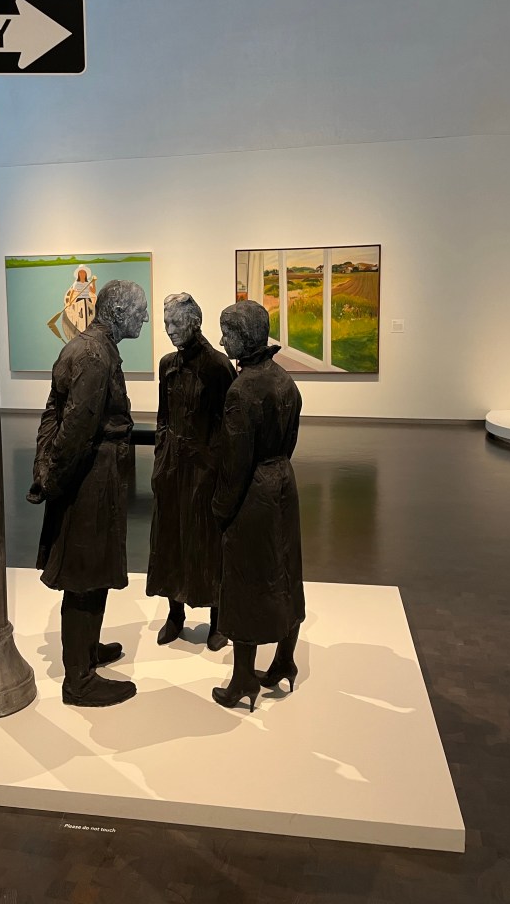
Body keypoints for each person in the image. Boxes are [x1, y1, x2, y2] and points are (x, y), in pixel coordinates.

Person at [28, 280, 149, 707]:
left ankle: (87, 651)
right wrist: (53, 478)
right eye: (139, 310)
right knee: (84, 574)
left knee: (92, 568)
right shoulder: (95, 357)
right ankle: (78, 680)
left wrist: (45, 470)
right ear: (117, 312)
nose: (144, 318)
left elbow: (52, 413)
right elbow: (74, 430)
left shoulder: (87, 348)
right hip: (89, 479)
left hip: (90, 475)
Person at [211, 300, 305, 712]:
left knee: (245, 580)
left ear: (245, 337)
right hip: (283, 482)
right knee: (286, 570)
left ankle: (243, 678)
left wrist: (220, 508)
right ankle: (284, 659)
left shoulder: (241, 390)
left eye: (227, 333)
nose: (221, 341)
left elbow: (235, 464)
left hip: (254, 493)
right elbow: (290, 439)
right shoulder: (284, 379)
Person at [146, 293, 236, 650]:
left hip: (205, 469)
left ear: (194, 322)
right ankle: (175, 613)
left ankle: (218, 619)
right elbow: (162, 417)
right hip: (172, 466)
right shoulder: (167, 365)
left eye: (175, 322)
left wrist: (216, 466)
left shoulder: (218, 367)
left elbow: (228, 426)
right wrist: (161, 458)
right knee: (170, 538)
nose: (168, 330)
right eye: (165, 322)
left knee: (207, 542)